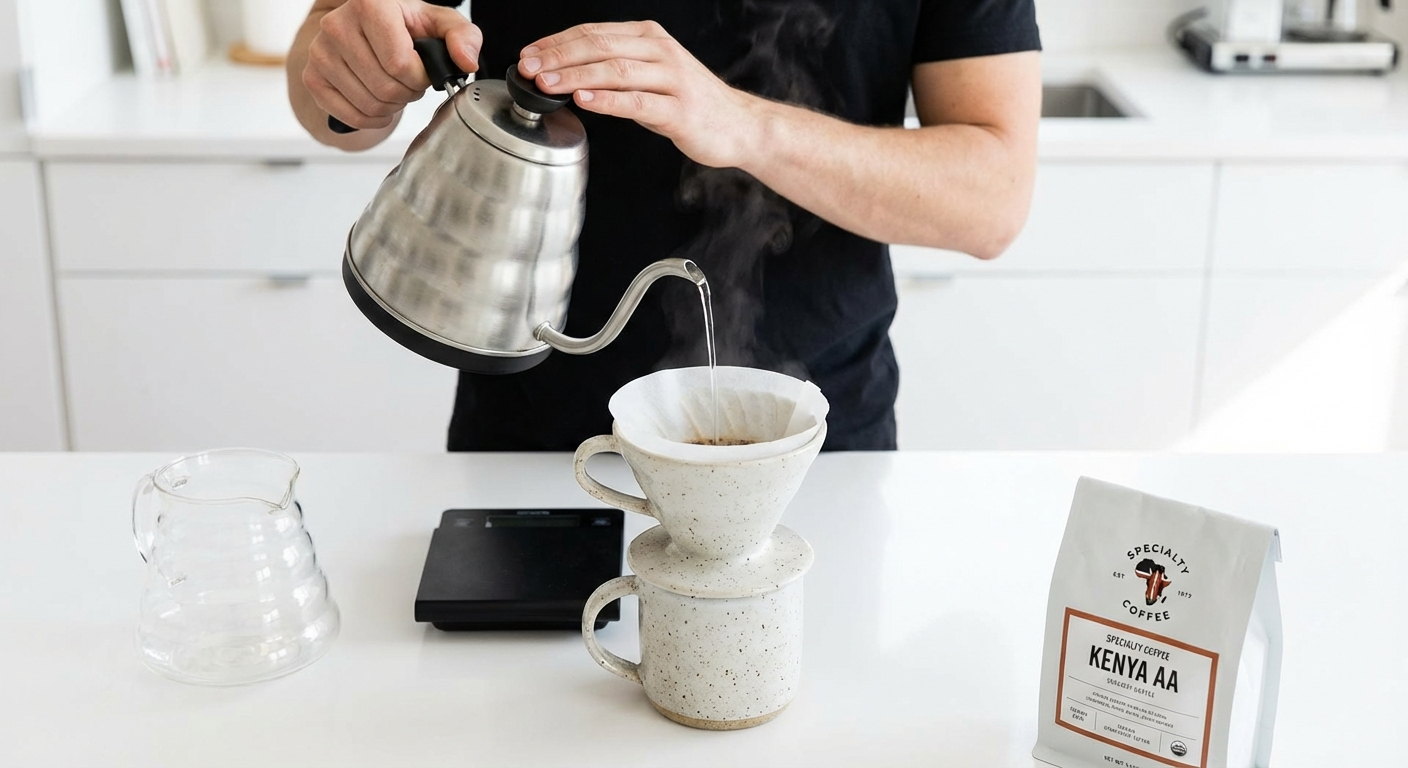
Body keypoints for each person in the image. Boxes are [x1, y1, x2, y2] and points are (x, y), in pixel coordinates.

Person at [288, 0, 1041, 451]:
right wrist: (351, 69)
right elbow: (328, 91)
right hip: (532, 445)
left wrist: (745, 127)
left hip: (812, 453)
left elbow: (991, 199)